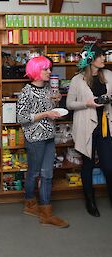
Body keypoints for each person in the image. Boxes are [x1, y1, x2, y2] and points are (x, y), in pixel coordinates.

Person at [16, 56, 69, 228]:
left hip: (49, 136)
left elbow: (49, 109)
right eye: (46, 69)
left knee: (48, 174)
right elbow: (22, 118)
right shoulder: (26, 91)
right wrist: (46, 114)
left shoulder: (47, 89)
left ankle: (46, 213)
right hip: (35, 138)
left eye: (49, 68)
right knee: (33, 173)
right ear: (36, 71)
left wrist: (56, 101)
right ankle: (30, 203)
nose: (49, 72)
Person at [66, 44, 112, 217]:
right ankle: (90, 202)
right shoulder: (77, 80)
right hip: (86, 128)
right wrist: (87, 103)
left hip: (105, 126)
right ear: (91, 59)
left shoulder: (108, 75)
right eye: (100, 56)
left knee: (109, 166)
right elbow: (70, 104)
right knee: (88, 165)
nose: (104, 59)